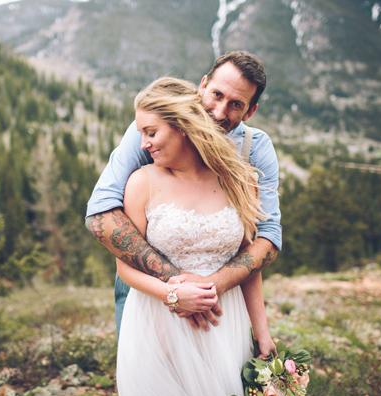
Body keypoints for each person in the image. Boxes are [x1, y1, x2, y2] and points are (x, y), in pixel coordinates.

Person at [85, 51, 281, 336]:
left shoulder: (255, 151)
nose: (219, 111)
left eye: (236, 105)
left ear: (250, 111)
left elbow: (268, 236)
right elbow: (101, 215)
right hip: (150, 294)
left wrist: (213, 286)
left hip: (221, 305)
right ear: (202, 85)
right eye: (216, 95)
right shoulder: (154, 130)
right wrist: (177, 286)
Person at [114, 77, 273, 396]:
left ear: (182, 127)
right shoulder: (141, 182)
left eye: (151, 132)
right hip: (157, 324)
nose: (143, 144)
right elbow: (125, 267)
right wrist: (172, 295)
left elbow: (247, 264)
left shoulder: (240, 181)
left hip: (224, 325)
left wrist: (262, 333)